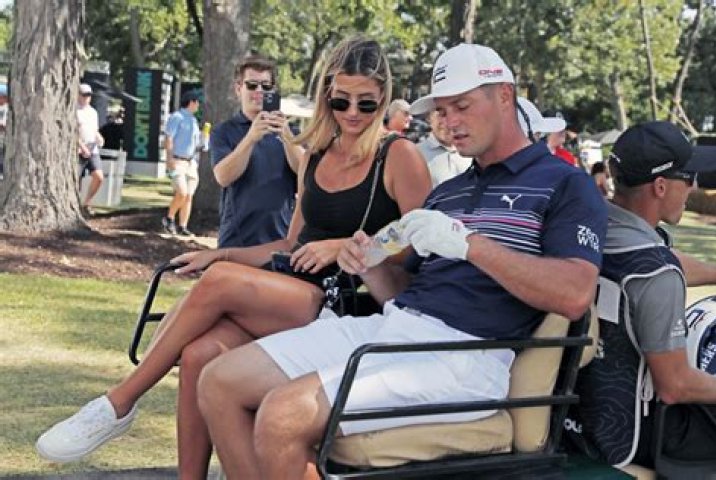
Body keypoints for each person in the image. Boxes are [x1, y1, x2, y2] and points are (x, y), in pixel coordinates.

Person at [195, 43, 607, 479]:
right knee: (219, 382)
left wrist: (470, 245)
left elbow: (574, 294)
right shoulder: (448, 192)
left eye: (461, 106)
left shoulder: (566, 184)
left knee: (283, 414)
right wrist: (370, 266)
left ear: (504, 95)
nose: (450, 122)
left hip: (467, 356)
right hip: (396, 329)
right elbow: (405, 293)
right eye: (442, 111)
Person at [35, 36, 430, 480]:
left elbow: (421, 247)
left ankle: (119, 402)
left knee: (223, 279)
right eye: (342, 101)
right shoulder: (317, 154)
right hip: (294, 289)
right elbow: (290, 245)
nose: (353, 113)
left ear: (384, 99)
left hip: (347, 302)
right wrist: (219, 252)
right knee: (200, 353)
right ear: (327, 96)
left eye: (366, 103)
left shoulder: (399, 156)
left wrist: (346, 247)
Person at [565, 121, 716, 469]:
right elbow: (675, 386)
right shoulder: (657, 272)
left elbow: (657, 261)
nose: (694, 187)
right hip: (634, 436)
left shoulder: (588, 228)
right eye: (689, 178)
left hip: (576, 419)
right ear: (661, 186)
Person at [210, 55, 303, 248]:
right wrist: (251, 138)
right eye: (252, 85)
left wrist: (286, 135)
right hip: (236, 240)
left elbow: (307, 173)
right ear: (238, 89)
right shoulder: (224, 131)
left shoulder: (291, 132)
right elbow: (223, 177)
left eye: (266, 86)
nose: (259, 91)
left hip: (281, 239)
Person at [161, 91, 202, 236]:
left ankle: (183, 226)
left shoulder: (193, 120)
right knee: (182, 192)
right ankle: (169, 218)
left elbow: (195, 143)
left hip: (191, 163)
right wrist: (169, 159)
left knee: (189, 195)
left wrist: (204, 142)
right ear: (191, 102)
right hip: (177, 160)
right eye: (197, 102)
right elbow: (169, 138)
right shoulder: (177, 117)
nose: (198, 105)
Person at [415, 110, 472, 187]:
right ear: (429, 118)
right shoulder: (415, 154)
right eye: (440, 114)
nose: (446, 122)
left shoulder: (472, 152)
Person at [77, 83, 105, 212]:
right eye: (84, 95)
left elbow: (94, 130)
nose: (86, 98)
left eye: (88, 95)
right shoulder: (74, 111)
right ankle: (76, 204)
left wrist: (99, 138)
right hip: (78, 150)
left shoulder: (93, 112)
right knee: (76, 180)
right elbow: (72, 133)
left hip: (92, 149)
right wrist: (82, 147)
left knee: (99, 177)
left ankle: (87, 202)